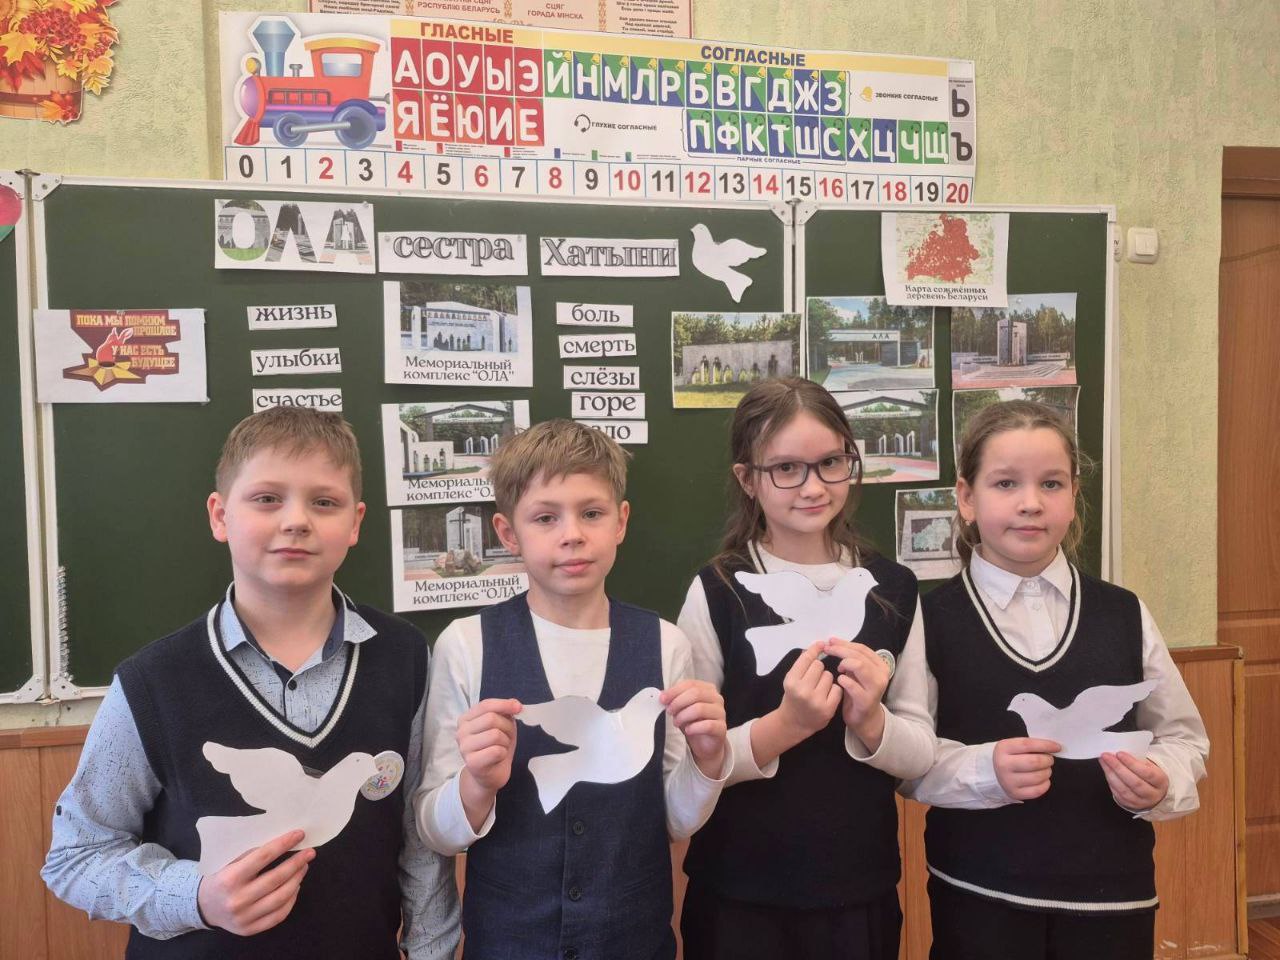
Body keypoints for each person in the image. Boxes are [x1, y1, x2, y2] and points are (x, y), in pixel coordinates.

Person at [42, 406, 459, 959]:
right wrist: (195, 897)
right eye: (267, 498)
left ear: (355, 523)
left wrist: (431, 952)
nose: (296, 520)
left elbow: (419, 843)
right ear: (220, 516)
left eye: (324, 502)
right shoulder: (152, 682)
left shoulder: (405, 656)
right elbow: (76, 855)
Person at [415, 419, 730, 960]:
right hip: (510, 944)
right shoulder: (466, 645)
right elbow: (435, 831)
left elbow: (675, 821)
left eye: (591, 513)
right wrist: (476, 784)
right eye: (545, 518)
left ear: (621, 521)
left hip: (634, 941)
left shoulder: (666, 645)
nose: (572, 535)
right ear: (507, 533)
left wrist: (708, 759)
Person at [906, 399, 1209, 959]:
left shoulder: (1124, 613)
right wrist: (986, 770)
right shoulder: (930, 619)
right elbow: (910, 761)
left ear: (1073, 497)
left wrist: (1162, 781)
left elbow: (1184, 739)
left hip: (1111, 901)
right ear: (967, 498)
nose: (1030, 503)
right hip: (980, 898)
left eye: (1051, 483)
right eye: (1005, 483)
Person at [677, 377, 935, 960]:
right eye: (787, 469)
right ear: (748, 479)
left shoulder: (893, 589)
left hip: (857, 892)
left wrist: (872, 722)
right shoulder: (718, 591)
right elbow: (690, 763)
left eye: (831, 463)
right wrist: (786, 726)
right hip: (738, 895)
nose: (813, 486)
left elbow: (920, 754)